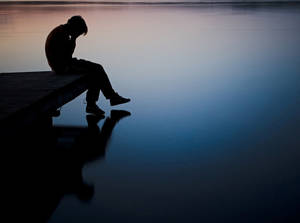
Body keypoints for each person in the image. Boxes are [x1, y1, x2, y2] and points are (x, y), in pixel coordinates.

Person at [45, 15, 130, 116]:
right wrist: (73, 40)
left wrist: (72, 40)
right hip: (62, 67)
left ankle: (108, 98)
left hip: (65, 63)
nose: (77, 35)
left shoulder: (62, 31)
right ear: (75, 28)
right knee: (94, 72)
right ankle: (95, 103)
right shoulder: (61, 34)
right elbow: (66, 56)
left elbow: (67, 56)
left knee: (97, 67)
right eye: (78, 33)